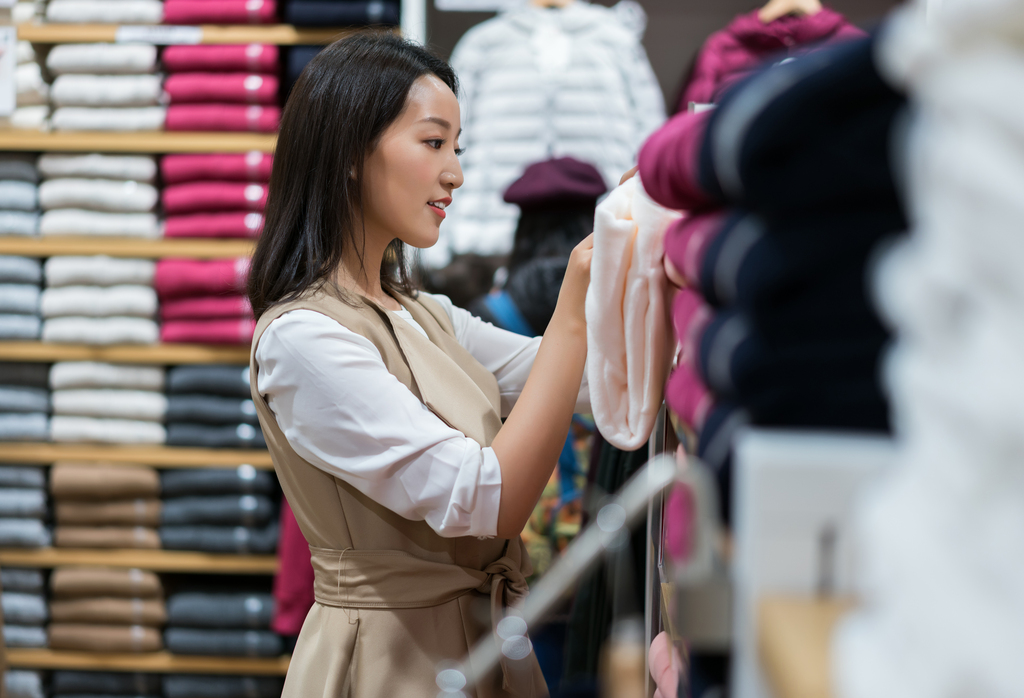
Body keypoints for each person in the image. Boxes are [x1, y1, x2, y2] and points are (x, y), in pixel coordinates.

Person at [246, 31, 593, 697]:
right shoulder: (304, 340)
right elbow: (485, 500)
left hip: (476, 643)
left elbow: (578, 382)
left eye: (456, 147)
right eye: (434, 143)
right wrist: (574, 302)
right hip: (386, 664)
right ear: (351, 152)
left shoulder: (423, 311)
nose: (456, 172)